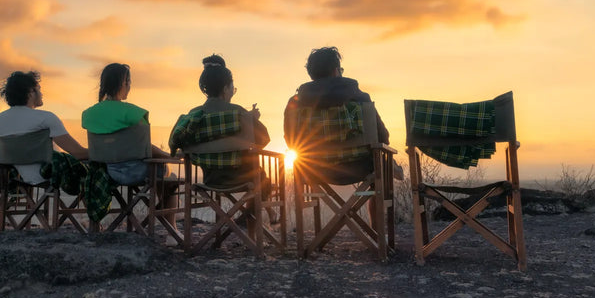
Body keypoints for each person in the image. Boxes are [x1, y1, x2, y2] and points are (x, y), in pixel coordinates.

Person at [283, 46, 403, 184]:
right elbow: (383, 137)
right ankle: (378, 195)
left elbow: (291, 141)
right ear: (336, 71)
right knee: (380, 160)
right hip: (361, 168)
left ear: (311, 75)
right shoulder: (361, 97)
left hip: (312, 170)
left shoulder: (295, 103)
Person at [170, 54, 271, 188]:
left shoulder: (192, 116)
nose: (232, 93)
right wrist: (251, 120)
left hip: (210, 180)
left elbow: (178, 143)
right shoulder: (239, 114)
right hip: (243, 177)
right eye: (232, 89)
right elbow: (263, 139)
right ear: (224, 89)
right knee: (265, 181)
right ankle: (249, 209)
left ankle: (244, 210)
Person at [82, 62, 173, 184]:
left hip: (106, 173)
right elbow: (145, 148)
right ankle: (162, 204)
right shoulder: (134, 113)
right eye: (129, 82)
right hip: (138, 173)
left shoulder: (89, 114)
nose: (129, 86)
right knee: (170, 176)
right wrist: (169, 155)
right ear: (124, 83)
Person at [0, 70, 88, 186]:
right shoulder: (46, 118)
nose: (42, 94)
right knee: (94, 169)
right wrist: (103, 153)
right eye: (39, 89)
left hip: (21, 177)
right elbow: (78, 153)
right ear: (31, 92)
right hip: (52, 175)